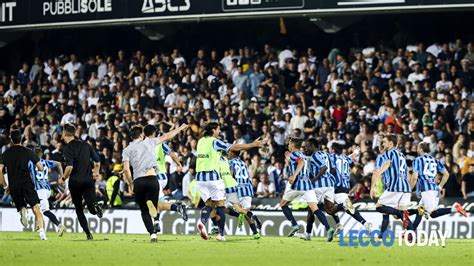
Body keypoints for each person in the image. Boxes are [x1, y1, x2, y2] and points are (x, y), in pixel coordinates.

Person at [195, 122, 264, 242]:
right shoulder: (220, 150)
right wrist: (253, 144)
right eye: (218, 129)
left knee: (210, 206)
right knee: (221, 207)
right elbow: (233, 148)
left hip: (200, 178)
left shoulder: (200, 141)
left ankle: (203, 222)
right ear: (213, 130)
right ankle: (221, 233)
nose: (219, 131)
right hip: (220, 182)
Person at [122, 124, 187, 242]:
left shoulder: (127, 150)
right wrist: (180, 128)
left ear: (131, 137)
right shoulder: (149, 142)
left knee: (144, 211)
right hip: (153, 179)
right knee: (154, 202)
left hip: (139, 181)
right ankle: (156, 213)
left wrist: (131, 184)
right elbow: (167, 136)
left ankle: (152, 234)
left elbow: (126, 169)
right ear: (141, 135)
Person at [279, 137, 333, 241]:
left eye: (289, 144)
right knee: (315, 209)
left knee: (283, 204)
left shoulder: (295, 154)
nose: (288, 145)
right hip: (308, 185)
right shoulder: (303, 155)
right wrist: (288, 160)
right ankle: (329, 228)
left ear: (293, 145)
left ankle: (294, 225)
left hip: (298, 184)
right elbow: (301, 162)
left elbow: (301, 163)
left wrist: (294, 175)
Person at [406, 142, 467, 231]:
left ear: (421, 149)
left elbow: (414, 177)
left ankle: (455, 209)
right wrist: (440, 186)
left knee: (433, 214)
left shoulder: (417, 160)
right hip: (434, 188)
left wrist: (409, 190)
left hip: (427, 190)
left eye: (418, 148)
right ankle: (411, 232)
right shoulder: (435, 160)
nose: (417, 150)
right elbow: (446, 174)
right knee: (420, 211)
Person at [0, 129, 47, 240]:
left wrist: (5, 185)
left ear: (11, 140)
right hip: (26, 183)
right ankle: (42, 233)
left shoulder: (6, 153)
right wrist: (39, 169)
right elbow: (40, 167)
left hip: (14, 185)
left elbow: (0, 170)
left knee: (21, 206)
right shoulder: (27, 151)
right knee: (36, 208)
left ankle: (23, 210)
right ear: (21, 139)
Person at [60, 123, 103, 240]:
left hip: (75, 183)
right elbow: (97, 160)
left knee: (79, 209)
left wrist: (63, 178)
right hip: (88, 181)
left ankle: (88, 233)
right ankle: (95, 207)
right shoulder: (86, 145)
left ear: (64, 134)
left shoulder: (67, 148)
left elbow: (69, 167)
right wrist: (96, 171)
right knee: (91, 208)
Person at [143, 124, 188, 230]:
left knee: (151, 202)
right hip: (163, 177)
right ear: (154, 133)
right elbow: (172, 154)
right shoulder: (160, 144)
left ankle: (177, 207)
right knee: (156, 202)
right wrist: (179, 164)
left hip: (154, 178)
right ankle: (157, 223)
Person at [374, 134, 415, 238]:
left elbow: (387, 163)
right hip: (405, 186)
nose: (383, 144)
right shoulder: (401, 155)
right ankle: (413, 236)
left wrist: (379, 173)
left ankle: (400, 214)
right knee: (402, 213)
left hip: (395, 186)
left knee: (379, 207)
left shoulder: (389, 152)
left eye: (384, 142)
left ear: (391, 143)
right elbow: (407, 172)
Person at [330, 143, 372, 233]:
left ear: (333, 150)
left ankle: (339, 224)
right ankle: (364, 224)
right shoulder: (345, 158)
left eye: (330, 149)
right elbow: (350, 159)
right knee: (349, 209)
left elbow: (332, 169)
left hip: (337, 186)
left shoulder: (332, 157)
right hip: (345, 186)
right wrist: (355, 152)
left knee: (330, 207)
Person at [301, 138, 335, 241]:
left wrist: (314, 179)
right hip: (329, 185)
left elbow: (324, 167)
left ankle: (328, 228)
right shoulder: (326, 154)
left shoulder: (314, 155)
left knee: (313, 208)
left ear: (312, 146)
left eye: (306, 146)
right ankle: (307, 234)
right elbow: (332, 169)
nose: (305, 149)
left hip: (319, 186)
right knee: (316, 210)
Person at [29, 148, 66, 236]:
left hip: (40, 190)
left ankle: (59, 225)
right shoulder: (45, 162)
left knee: (45, 211)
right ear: (41, 154)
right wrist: (61, 176)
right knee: (35, 205)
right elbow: (59, 164)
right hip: (47, 189)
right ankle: (38, 223)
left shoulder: (30, 163)